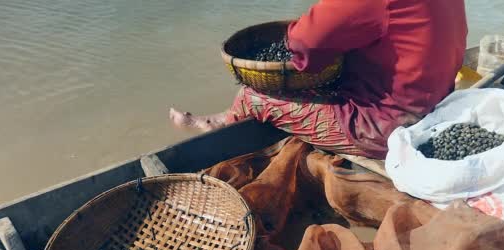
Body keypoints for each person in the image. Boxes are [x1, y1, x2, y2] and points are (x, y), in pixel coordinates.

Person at [170, 0, 468, 159]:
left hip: (385, 125)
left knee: (253, 95)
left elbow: (305, 44)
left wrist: (303, 32)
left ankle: (221, 123)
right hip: (438, 98)